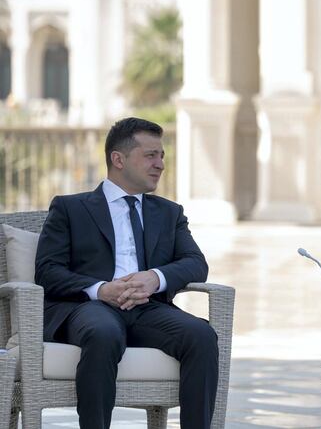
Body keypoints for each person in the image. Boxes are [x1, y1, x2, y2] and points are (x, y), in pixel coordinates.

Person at [35, 117, 218, 429]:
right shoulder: (70, 208)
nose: (160, 164)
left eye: (162, 156)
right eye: (150, 155)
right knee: (103, 333)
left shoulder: (169, 213)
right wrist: (100, 289)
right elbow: (48, 271)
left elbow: (195, 262)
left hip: (149, 308)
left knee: (201, 336)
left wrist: (154, 278)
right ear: (118, 159)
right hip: (88, 307)